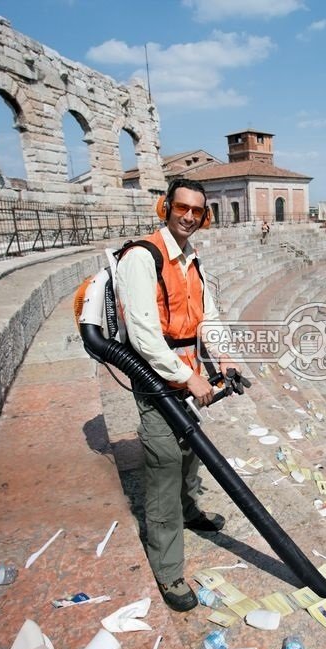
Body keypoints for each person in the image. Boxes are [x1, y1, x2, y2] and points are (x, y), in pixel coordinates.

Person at [115, 178, 239, 612]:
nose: (188, 216)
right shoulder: (142, 258)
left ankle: (189, 511)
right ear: (165, 207)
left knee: (188, 449)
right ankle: (168, 572)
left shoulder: (192, 260)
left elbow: (210, 317)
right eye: (181, 207)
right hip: (156, 378)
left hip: (188, 371)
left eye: (196, 210)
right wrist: (187, 380)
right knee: (165, 464)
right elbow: (145, 335)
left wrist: (223, 359)